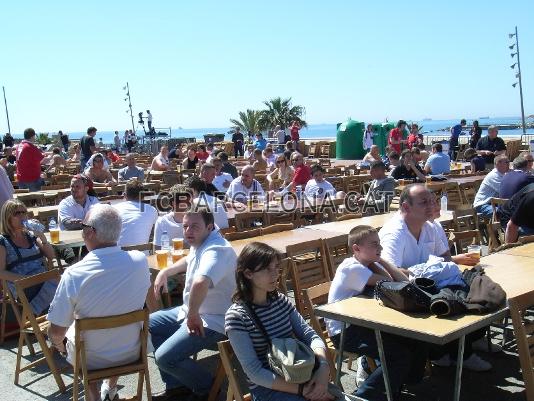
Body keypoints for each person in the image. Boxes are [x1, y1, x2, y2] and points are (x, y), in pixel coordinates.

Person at [379, 184, 492, 371]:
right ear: (406, 207)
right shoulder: (394, 233)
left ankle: (461, 345)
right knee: (456, 299)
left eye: (432, 201)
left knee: (479, 292)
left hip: (430, 286)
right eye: (424, 202)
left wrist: (435, 269)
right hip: (404, 293)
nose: (432, 206)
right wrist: (428, 271)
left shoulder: (429, 226)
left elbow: (445, 257)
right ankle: (457, 352)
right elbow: (389, 273)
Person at [47, 204, 150, 401]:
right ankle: (109, 389)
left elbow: (56, 332)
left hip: (92, 359)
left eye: (83, 226)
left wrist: (60, 348)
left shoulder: (74, 274)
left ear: (91, 233)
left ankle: (93, 392)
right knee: (110, 329)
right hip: (133, 351)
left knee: (79, 342)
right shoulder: (140, 261)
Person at [327, 226, 428, 401]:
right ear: (356, 248)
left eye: (379, 243)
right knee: (399, 355)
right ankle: (363, 396)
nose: (380, 248)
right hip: (344, 331)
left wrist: (377, 260)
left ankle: (397, 384)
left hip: (364, 323)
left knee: (416, 339)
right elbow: (391, 282)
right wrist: (384, 262)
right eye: (374, 244)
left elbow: (404, 283)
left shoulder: (366, 265)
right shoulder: (351, 267)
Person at [225, 242, 331, 401]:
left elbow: (310, 335)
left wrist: (323, 367)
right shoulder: (237, 316)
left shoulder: (281, 301)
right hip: (268, 388)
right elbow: (254, 372)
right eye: (268, 269)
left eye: (276, 268)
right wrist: (302, 390)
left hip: (298, 374)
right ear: (248, 274)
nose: (275, 275)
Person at [150, 209, 237, 401]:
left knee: (164, 357)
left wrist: (192, 315)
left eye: (194, 227)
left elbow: (200, 282)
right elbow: (189, 259)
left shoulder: (217, 249)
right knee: (150, 324)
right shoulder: (201, 241)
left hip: (214, 320)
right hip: (194, 311)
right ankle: (177, 385)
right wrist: (166, 271)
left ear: (210, 227)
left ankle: (208, 389)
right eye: (185, 226)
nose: (188, 231)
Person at [0, 199, 57, 315]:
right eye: (17, 213)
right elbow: (1, 272)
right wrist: (26, 280)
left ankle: (57, 321)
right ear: (7, 218)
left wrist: (42, 236)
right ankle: (54, 319)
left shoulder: (30, 236)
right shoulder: (3, 241)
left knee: (66, 280)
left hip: (42, 281)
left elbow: (51, 256)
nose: (22, 216)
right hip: (24, 286)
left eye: (24, 212)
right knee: (61, 285)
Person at [113, 180, 158, 247]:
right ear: (143, 196)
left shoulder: (113, 209)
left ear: (125, 195)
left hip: (117, 254)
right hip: (143, 255)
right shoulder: (152, 210)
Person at [153, 185, 192, 249]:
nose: (189, 206)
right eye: (185, 203)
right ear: (174, 203)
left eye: (190, 202)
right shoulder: (162, 222)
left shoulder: (197, 220)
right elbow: (158, 249)